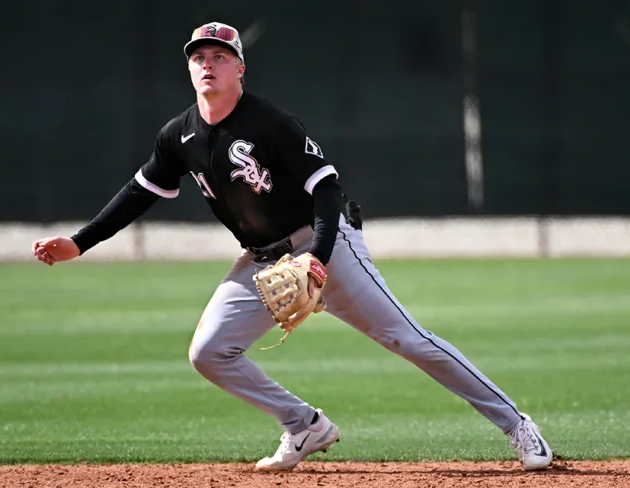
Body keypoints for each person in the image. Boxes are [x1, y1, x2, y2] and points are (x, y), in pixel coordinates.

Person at [31, 22, 554, 472]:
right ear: (189, 69)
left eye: (220, 57)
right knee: (209, 353)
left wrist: (317, 259)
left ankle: (517, 425)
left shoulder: (270, 122)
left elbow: (326, 191)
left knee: (408, 339)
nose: (208, 65)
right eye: (199, 58)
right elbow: (138, 193)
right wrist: (79, 242)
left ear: (240, 69)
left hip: (324, 243)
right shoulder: (178, 136)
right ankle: (304, 425)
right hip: (261, 262)